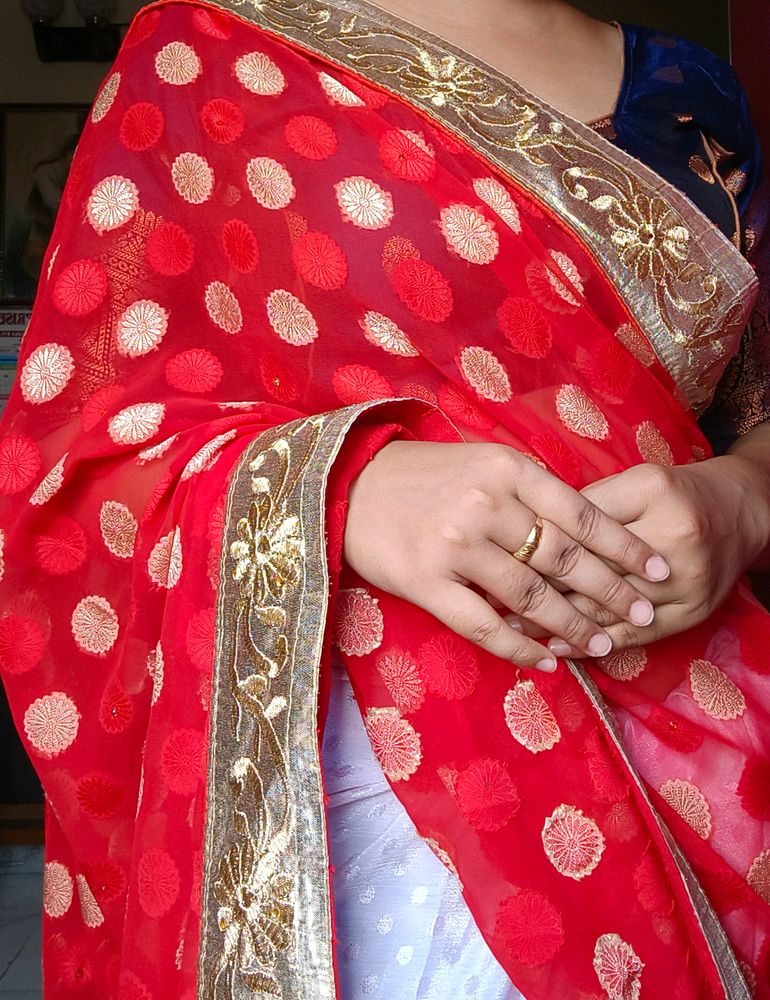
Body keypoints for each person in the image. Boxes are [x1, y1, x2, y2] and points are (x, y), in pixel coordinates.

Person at [0, 0, 768, 996]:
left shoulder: (692, 93)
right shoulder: (211, 56)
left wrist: (742, 495)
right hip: (369, 809)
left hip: (704, 762)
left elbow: (744, 408)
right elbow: (69, 459)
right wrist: (344, 484)